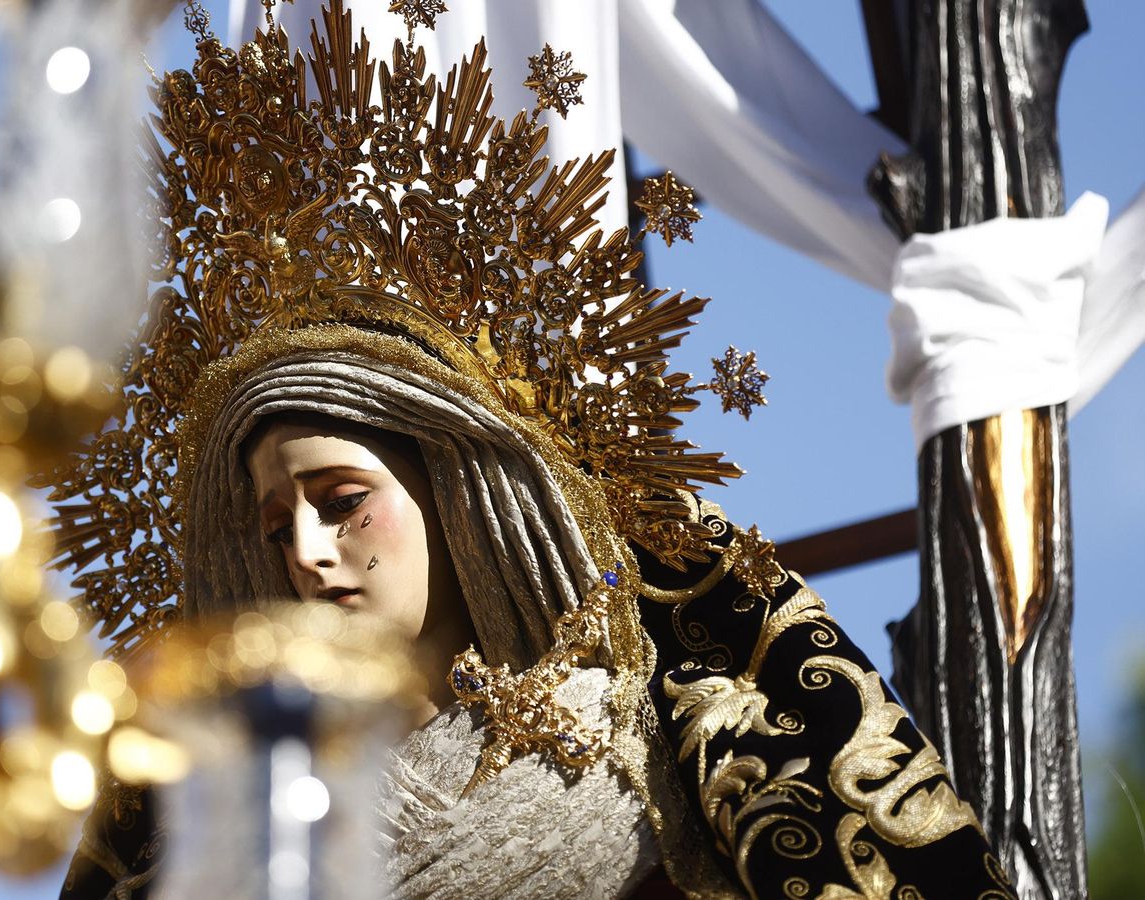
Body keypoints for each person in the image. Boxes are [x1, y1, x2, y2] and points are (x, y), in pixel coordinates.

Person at [51, 3, 1012, 896]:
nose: (305, 554)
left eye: (342, 501)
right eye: (273, 530)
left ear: (450, 481)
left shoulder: (665, 661)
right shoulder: (219, 814)